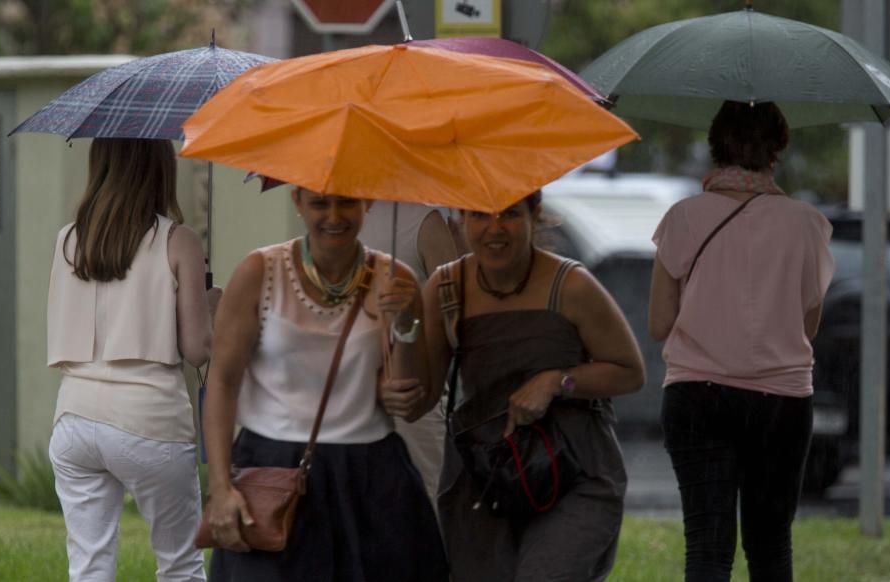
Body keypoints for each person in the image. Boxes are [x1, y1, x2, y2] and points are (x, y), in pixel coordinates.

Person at [202, 188, 448, 581]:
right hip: (275, 470)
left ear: (367, 202)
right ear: (297, 203)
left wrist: (405, 323)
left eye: (347, 202)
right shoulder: (259, 272)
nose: (335, 216)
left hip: (371, 476)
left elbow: (410, 400)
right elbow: (223, 380)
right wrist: (219, 486)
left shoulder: (395, 279)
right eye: (320, 203)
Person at [648, 101, 834, 582]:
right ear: (777, 153)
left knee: (707, 549)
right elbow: (807, 325)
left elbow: (659, 321)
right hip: (782, 401)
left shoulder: (682, 218)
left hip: (697, 396)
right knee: (771, 547)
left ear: (715, 149)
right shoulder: (807, 224)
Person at [423, 191, 645, 581]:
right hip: (485, 477)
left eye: (509, 213)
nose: (495, 228)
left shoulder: (572, 284)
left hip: (574, 468)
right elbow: (420, 394)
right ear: (461, 218)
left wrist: (556, 381)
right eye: (479, 214)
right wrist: (400, 328)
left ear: (534, 214)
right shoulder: (446, 287)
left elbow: (630, 372)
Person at [47, 137, 218, 582]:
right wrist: (211, 304)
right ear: (159, 167)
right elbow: (199, 349)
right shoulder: (178, 240)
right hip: (150, 422)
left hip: (74, 420)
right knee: (180, 565)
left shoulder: (68, 239)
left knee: (88, 567)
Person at [360, 200, 459, 503]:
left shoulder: (422, 221)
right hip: (348, 401)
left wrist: (409, 320)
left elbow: (456, 316)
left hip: (412, 399)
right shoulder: (330, 224)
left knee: (424, 508)